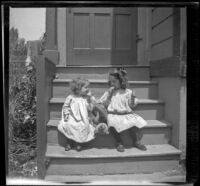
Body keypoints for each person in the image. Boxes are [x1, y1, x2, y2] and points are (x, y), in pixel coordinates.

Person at [99, 68, 147, 152]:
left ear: (121, 81)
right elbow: (104, 104)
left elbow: (132, 105)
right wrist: (109, 96)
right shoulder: (110, 92)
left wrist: (132, 97)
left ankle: (136, 141)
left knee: (133, 123)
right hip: (113, 114)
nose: (112, 84)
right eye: (110, 82)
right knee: (112, 124)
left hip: (125, 114)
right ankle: (119, 142)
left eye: (114, 81)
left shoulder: (127, 92)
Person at [57, 77, 96, 151]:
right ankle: (69, 142)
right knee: (68, 125)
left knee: (83, 125)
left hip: (83, 118)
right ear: (78, 89)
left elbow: (90, 109)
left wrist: (89, 98)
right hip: (72, 117)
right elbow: (66, 107)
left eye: (88, 87)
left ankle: (79, 143)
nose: (88, 89)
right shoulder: (70, 97)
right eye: (85, 87)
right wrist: (66, 116)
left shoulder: (86, 98)